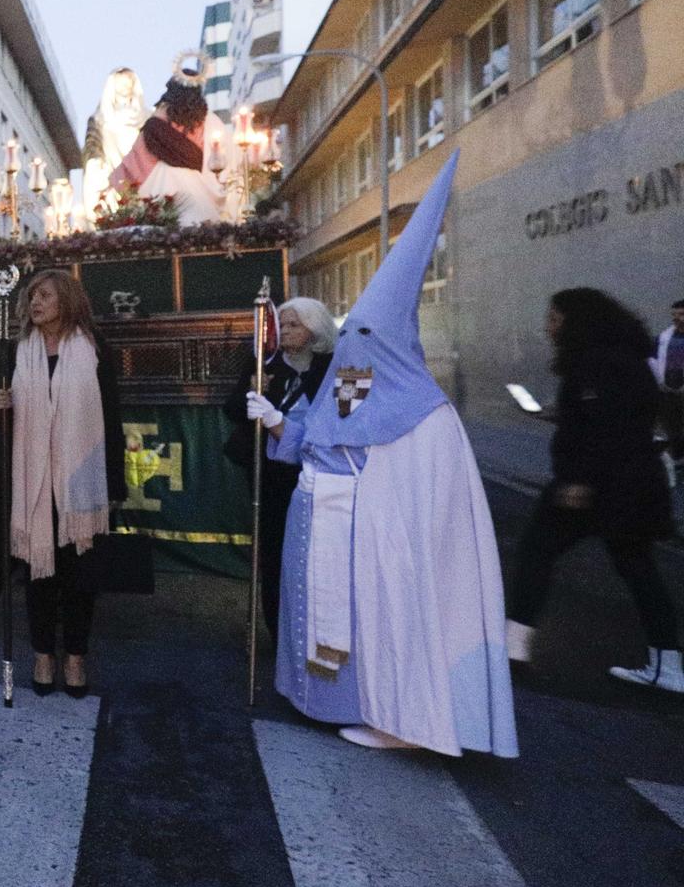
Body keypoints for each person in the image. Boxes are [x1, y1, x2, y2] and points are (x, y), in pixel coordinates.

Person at [250, 153, 517, 755]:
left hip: (369, 540)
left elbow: (407, 493)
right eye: (353, 336)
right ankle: (327, 700)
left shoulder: (426, 413)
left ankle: (403, 716)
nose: (354, 349)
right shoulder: (353, 380)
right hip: (321, 523)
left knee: (383, 619)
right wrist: (273, 421)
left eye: (366, 338)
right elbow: (308, 442)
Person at [504, 289, 680, 693]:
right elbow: (612, 417)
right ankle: (667, 664)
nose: (547, 327)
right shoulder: (624, 357)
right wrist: (560, 414)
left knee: (536, 550)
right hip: (631, 484)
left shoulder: (595, 363)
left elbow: (606, 429)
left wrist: (577, 481)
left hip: (601, 486)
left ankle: (513, 646)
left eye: (553, 317)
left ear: (574, 321)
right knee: (638, 569)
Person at [0, 270, 127, 697]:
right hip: (33, 478)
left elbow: (111, 419)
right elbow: (8, 420)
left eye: (45, 295)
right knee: (38, 572)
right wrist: (1, 407)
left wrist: (114, 483)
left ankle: (76, 656)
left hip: (79, 478)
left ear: (66, 300)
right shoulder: (18, 351)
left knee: (79, 574)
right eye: (32, 296)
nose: (36, 303)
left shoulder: (94, 349)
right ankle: (43, 654)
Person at [221, 296, 336, 632]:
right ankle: (278, 631)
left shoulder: (330, 367)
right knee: (274, 553)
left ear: (314, 330)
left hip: (316, 475)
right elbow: (232, 410)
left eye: (293, 325)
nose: (284, 331)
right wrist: (253, 393)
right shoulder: (264, 363)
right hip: (270, 475)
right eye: (282, 324)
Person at [109, 60, 225, 226]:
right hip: (199, 191)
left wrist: (115, 181)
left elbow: (137, 160)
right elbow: (220, 161)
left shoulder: (157, 120)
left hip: (161, 187)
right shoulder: (210, 121)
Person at [82, 67, 148, 218]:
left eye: (128, 82)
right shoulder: (100, 118)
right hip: (110, 169)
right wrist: (96, 164)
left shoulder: (145, 117)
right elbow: (92, 146)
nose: (125, 86)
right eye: (120, 82)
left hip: (137, 170)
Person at [653, 299, 684, 474]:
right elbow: (653, 359)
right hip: (669, 391)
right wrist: (660, 382)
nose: (677, 318)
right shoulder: (665, 337)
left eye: (681, 314)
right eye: (674, 315)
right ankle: (678, 460)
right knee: (672, 429)